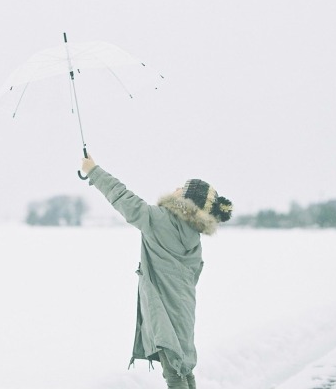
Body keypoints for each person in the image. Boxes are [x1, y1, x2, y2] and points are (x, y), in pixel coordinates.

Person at [80, 155, 233, 389]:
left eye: (183, 188)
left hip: (164, 312)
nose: (176, 188)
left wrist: (93, 171)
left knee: (173, 374)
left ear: (188, 200)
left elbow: (123, 197)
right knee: (184, 368)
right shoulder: (194, 237)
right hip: (183, 312)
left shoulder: (160, 221)